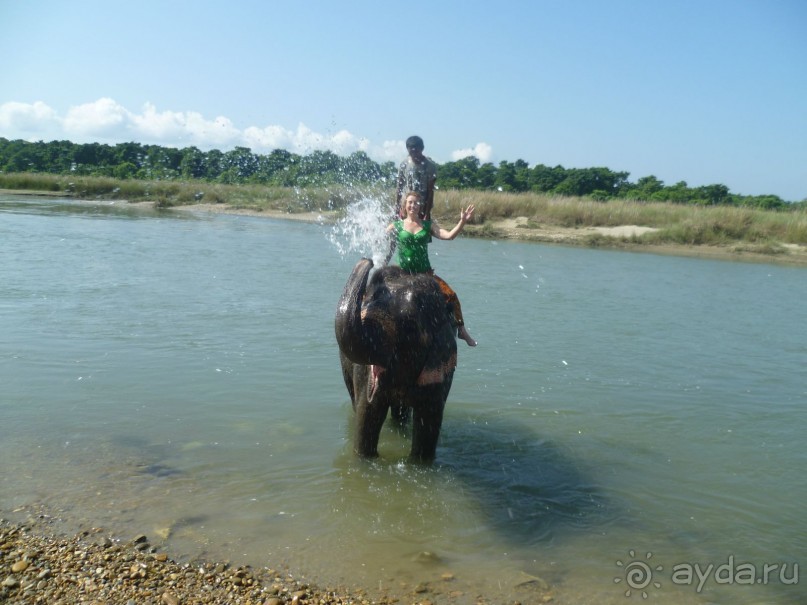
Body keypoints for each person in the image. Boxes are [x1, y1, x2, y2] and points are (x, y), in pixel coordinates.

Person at [386, 190, 477, 347]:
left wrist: (462, 221)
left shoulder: (428, 225)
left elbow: (449, 236)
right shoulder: (396, 225)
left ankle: (461, 330)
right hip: (401, 275)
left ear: (420, 206)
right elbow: (379, 237)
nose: (413, 205)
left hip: (424, 275)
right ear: (405, 205)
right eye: (410, 202)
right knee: (376, 296)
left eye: (416, 202)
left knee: (451, 295)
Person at [395, 135, 438, 220]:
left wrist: (427, 212)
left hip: (422, 205)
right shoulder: (404, 164)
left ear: (422, 149)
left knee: (421, 230)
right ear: (408, 150)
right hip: (406, 205)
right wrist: (397, 207)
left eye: (416, 152)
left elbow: (430, 191)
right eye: (411, 152)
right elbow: (399, 187)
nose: (414, 155)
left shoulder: (430, 166)